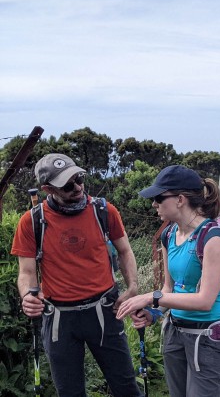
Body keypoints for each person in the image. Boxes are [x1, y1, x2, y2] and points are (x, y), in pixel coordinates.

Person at [12, 153, 143, 397]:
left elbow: (125, 251)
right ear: (48, 189)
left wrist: (132, 288)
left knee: (126, 388)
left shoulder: (104, 211)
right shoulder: (32, 221)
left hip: (104, 310)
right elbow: (26, 272)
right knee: (70, 392)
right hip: (60, 318)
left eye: (79, 178)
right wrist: (27, 296)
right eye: (68, 185)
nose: (78, 187)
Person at [116, 165, 220, 397]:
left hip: (208, 336)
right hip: (176, 333)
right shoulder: (168, 235)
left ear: (180, 199)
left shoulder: (213, 237)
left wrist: (152, 297)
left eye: (159, 198)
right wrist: (154, 313)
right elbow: (169, 289)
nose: (154, 204)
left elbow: (205, 300)